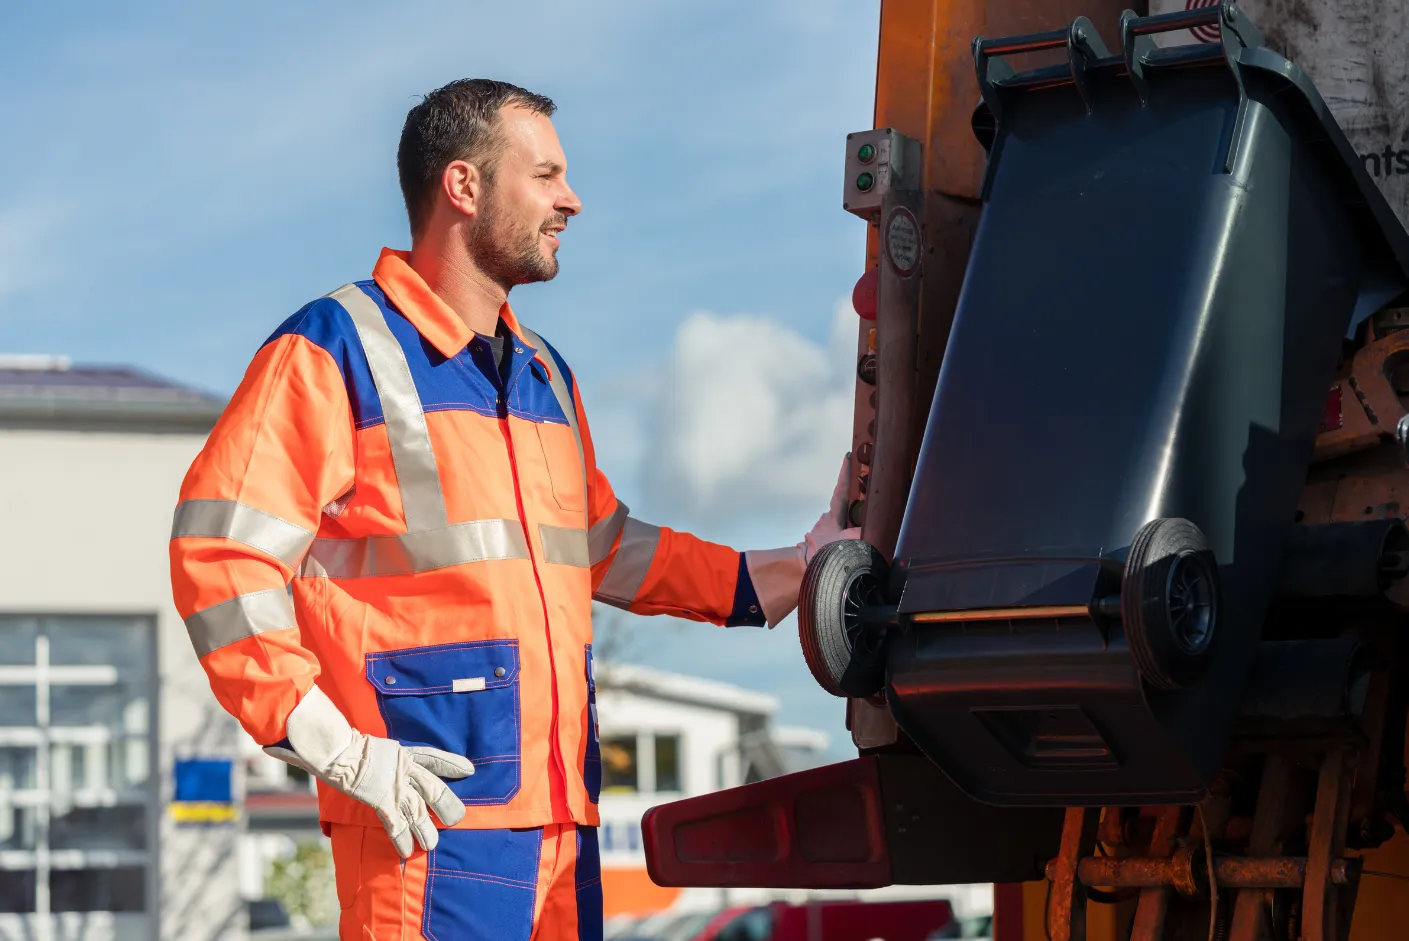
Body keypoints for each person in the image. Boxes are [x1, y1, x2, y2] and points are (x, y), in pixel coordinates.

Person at [168, 79, 855, 941]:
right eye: (545, 175)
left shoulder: (543, 372)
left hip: (564, 827)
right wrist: (334, 745)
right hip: (423, 820)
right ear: (464, 186)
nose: (570, 199)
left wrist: (799, 567)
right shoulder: (333, 348)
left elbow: (606, 547)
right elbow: (218, 556)